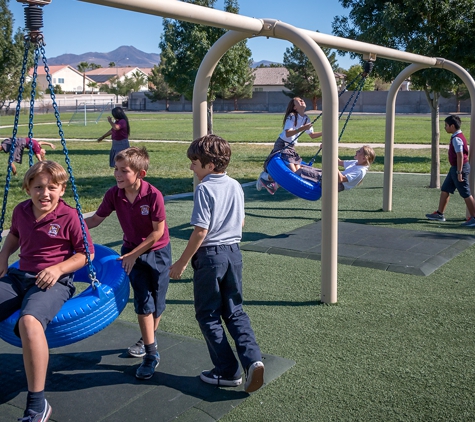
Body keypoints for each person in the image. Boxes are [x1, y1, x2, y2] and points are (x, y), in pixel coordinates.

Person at [169, 134, 265, 393]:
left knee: (208, 314)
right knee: (235, 311)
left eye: (195, 162)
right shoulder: (235, 185)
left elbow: (201, 231)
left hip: (210, 257)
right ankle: (253, 360)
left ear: (209, 165)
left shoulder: (204, 188)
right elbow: (241, 222)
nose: (192, 167)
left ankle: (227, 371)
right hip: (234, 253)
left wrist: (181, 262)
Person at [0, 160, 94, 421]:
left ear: (62, 189)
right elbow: (15, 236)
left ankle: (37, 403)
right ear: (28, 188)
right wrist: (3, 256)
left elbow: (86, 253)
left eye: (52, 187)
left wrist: (58, 269)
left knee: (30, 322)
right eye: (38, 187)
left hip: (53, 282)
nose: (45, 193)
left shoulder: (70, 216)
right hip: (20, 276)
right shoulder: (21, 211)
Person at [85, 146, 171, 380]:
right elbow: (94, 219)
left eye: (124, 170)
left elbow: (157, 233)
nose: (118, 175)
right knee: (143, 301)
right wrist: (71, 226)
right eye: (116, 169)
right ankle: (151, 354)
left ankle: (147, 338)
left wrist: (134, 254)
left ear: (140, 174)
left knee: (157, 301)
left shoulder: (153, 195)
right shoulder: (114, 194)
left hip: (158, 253)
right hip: (130, 252)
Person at [257, 97, 322, 194]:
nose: (302, 100)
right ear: (295, 107)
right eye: (299, 101)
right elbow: (287, 133)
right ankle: (265, 177)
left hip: (291, 147)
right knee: (293, 172)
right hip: (282, 144)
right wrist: (302, 128)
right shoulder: (292, 116)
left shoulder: (306, 118)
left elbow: (312, 135)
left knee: (297, 171)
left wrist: (325, 132)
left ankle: (272, 184)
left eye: (302, 100)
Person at [426, 115, 475, 226]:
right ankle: (439, 213)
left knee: (466, 193)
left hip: (459, 168)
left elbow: (460, 156)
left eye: (446, 125)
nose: (445, 128)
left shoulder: (457, 138)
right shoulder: (456, 136)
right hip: (455, 168)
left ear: (452, 126)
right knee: (445, 189)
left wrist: (459, 172)